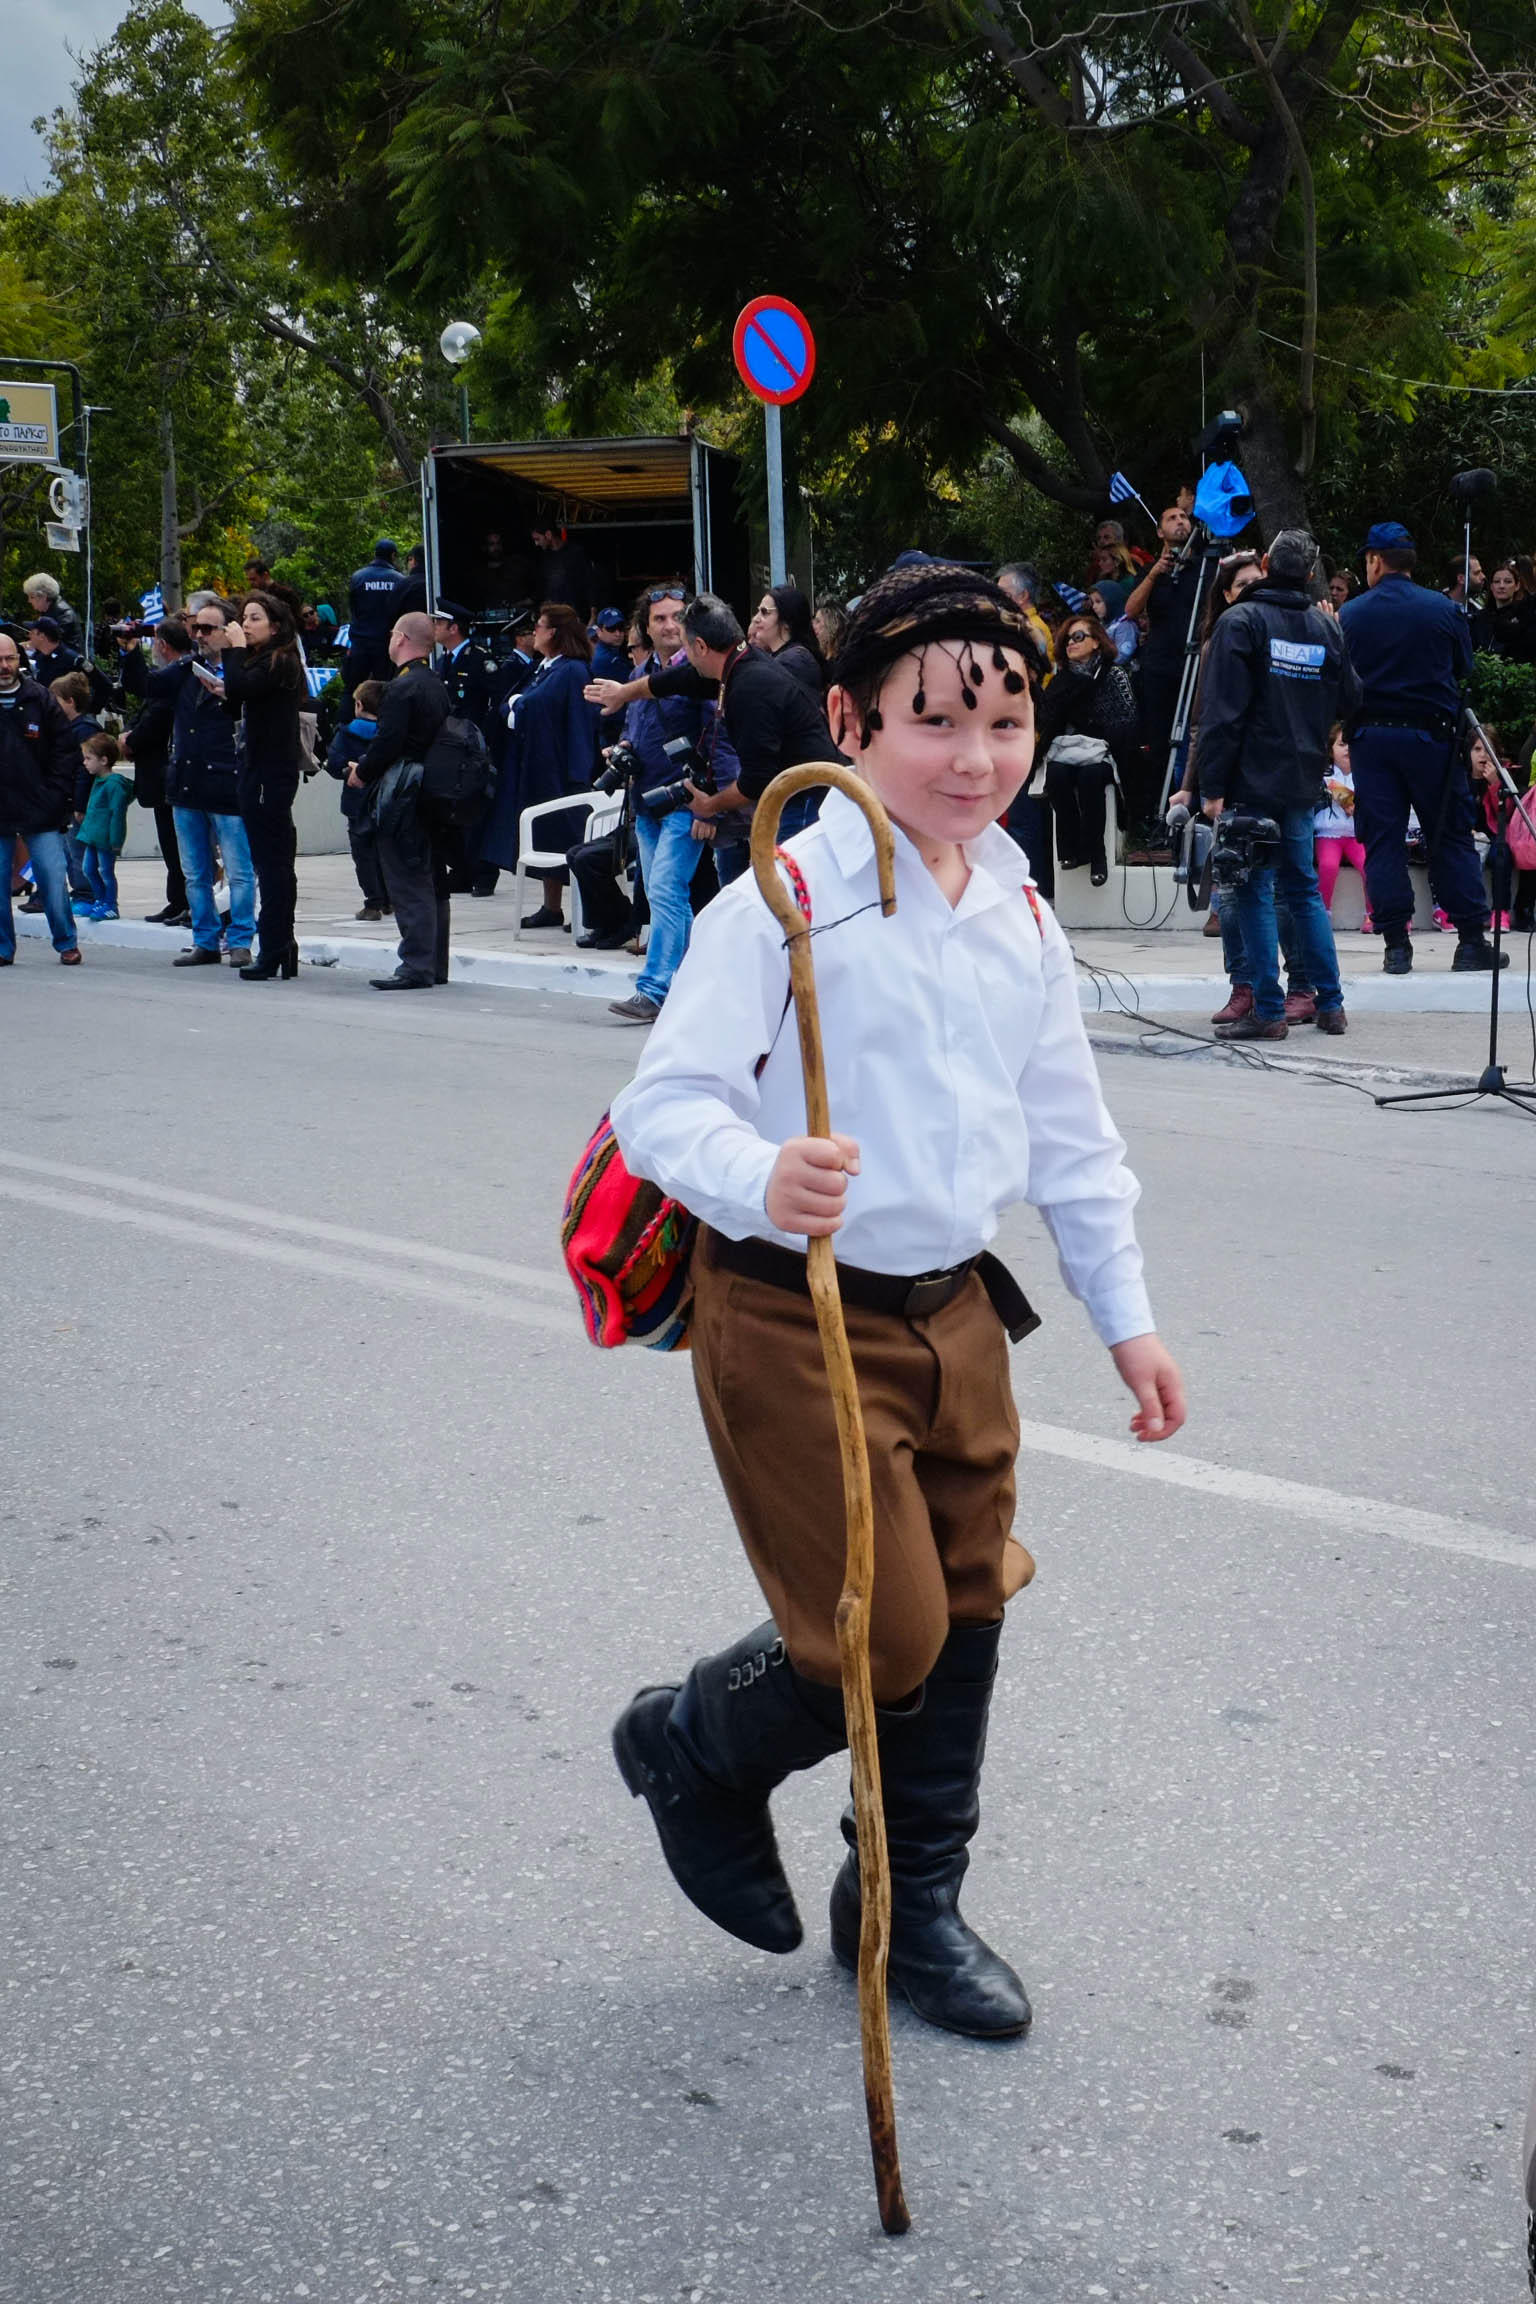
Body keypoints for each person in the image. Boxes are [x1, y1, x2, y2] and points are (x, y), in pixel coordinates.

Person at [607, 559, 1185, 2039]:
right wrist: (761, 1172)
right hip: (793, 1313)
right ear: (852, 726)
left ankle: (907, 1907)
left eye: (1005, 722)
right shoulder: (785, 901)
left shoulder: (1020, 911)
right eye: (936, 722)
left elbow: (1071, 1139)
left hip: (958, 1314)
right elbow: (662, 1107)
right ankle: (693, 1747)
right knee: (884, 1636)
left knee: (970, 1601)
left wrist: (1127, 1322)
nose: (977, 759)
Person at [1195, 529, 1358, 1039]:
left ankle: (1267, 1011)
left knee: (1254, 891)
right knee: (1303, 891)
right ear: (1310, 574)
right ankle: (1331, 1005)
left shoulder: (1240, 620)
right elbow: (1352, 700)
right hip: (1302, 779)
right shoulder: (1325, 626)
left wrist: (1212, 786)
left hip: (1251, 782)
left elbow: (1221, 714)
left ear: (1266, 563)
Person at [1339, 521, 1506, 974]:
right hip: (1432, 738)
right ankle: (1470, 941)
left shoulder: (1351, 614)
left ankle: (1396, 945)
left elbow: (1341, 680)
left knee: (1383, 841)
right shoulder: (1443, 610)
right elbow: (1464, 668)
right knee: (1449, 835)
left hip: (1372, 740)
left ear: (1375, 560)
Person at [586, 594, 845, 861]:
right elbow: (679, 679)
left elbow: (755, 780)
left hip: (804, 798)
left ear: (700, 646)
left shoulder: (749, 687)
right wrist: (624, 693)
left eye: (685, 646)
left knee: (786, 883)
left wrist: (710, 805)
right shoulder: (738, 661)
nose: (685, 656)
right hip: (790, 795)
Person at [603, 586, 737, 1024]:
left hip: (687, 798)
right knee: (666, 895)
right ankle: (689, 985)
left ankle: (655, 989)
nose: (669, 626)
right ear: (646, 626)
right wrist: (623, 747)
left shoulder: (699, 674)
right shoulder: (641, 672)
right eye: (659, 618)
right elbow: (633, 726)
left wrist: (710, 807)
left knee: (664, 890)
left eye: (677, 617)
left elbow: (720, 741)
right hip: (647, 801)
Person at [349, 613, 458, 991]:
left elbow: (387, 743)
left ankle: (415, 964)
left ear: (400, 639)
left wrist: (362, 772)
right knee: (432, 878)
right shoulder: (434, 682)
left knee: (407, 878)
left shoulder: (401, 687)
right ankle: (435, 964)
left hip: (403, 795)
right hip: (433, 790)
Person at [477, 602, 600, 927]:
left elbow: (575, 720)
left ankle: (588, 908)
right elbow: (510, 705)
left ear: (554, 632)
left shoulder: (573, 670)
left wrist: (579, 770)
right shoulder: (543, 667)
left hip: (561, 767)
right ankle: (551, 906)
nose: (535, 632)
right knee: (547, 835)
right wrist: (517, 706)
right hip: (537, 764)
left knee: (571, 837)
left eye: (540, 626)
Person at [166, 608, 257, 969]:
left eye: (208, 628)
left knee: (239, 871)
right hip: (188, 783)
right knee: (195, 873)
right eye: (196, 628)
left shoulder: (243, 671)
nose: (200, 635)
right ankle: (204, 940)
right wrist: (129, 652)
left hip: (226, 783)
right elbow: (148, 686)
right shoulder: (187, 670)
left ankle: (240, 939)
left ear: (228, 630)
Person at [221, 591, 305, 981]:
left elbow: (241, 687)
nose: (246, 624)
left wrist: (235, 649)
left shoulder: (281, 660)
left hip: (269, 774)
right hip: (259, 769)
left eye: (255, 618)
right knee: (273, 862)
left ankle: (274, 946)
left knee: (272, 864)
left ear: (275, 625)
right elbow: (237, 695)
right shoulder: (265, 661)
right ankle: (281, 943)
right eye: (244, 618)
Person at [1033, 612, 1140, 886]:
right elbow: (1045, 721)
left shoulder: (1113, 674)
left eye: (1078, 637)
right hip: (1065, 750)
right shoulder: (1061, 680)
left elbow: (1126, 721)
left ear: (1096, 642)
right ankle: (1069, 850)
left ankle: (1096, 854)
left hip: (1105, 752)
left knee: (1091, 776)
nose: (1071, 642)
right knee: (1056, 774)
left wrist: (1091, 728)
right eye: (1067, 639)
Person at [0, 630, 82, 967]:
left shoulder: (41, 699)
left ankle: (66, 941)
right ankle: (3, 948)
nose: (5, 666)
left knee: (51, 875)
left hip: (41, 808)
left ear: (19, 659)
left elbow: (66, 751)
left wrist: (54, 796)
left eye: (10, 658)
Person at [1124, 504, 1202, 822]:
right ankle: (1158, 813)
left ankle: (1194, 809)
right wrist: (1156, 573)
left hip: (1196, 664)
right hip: (1160, 666)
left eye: (1184, 517)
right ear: (1160, 532)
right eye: (1172, 518)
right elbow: (1131, 610)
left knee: (1196, 737)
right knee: (1159, 739)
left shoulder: (1204, 567)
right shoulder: (1150, 571)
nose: (1180, 521)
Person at [120, 618, 195, 927]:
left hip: (171, 772)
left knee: (179, 843)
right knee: (171, 842)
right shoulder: (170, 675)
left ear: (163, 645)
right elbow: (144, 701)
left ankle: (186, 902)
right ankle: (177, 900)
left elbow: (157, 714)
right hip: (164, 773)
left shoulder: (179, 675)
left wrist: (132, 740)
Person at [327, 679, 393, 922]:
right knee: (387, 852)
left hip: (356, 802)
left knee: (363, 855)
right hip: (386, 802)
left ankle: (373, 902)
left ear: (359, 705)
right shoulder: (389, 734)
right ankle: (390, 898)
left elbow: (334, 764)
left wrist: (348, 771)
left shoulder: (346, 733)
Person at [1315, 725, 1373, 933]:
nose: (1347, 748)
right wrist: (1342, 794)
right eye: (1341, 744)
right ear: (1330, 749)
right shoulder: (1323, 774)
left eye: (1351, 743)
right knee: (1328, 866)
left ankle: (1372, 914)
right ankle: (1322, 913)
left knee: (1369, 866)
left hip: (1356, 835)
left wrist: (1341, 794)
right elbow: (1347, 801)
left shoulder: (1365, 773)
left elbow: (1353, 804)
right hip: (1328, 835)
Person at [73, 733, 134, 920]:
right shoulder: (98, 781)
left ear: (103, 760)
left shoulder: (113, 785)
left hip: (106, 839)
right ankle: (99, 900)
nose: (85, 762)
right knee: (89, 869)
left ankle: (111, 904)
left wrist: (116, 840)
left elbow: (117, 814)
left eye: (88, 758)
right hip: (93, 837)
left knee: (106, 871)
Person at [345, 540, 407, 690]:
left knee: (352, 689)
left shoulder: (358, 577)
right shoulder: (399, 580)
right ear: (393, 556)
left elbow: (353, 608)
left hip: (361, 642)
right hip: (386, 644)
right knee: (384, 688)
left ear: (375, 554)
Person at [747, 584, 826, 694]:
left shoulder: (793, 662)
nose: (756, 618)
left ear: (787, 621)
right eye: (758, 611)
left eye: (764, 612)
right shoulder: (789, 658)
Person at [994, 563, 1054, 665]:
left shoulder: (1032, 628)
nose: (996, 597)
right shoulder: (1016, 623)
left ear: (1022, 596)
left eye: (1002, 593)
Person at [1480, 564, 1536, 662]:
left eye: (1508, 582)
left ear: (1517, 586)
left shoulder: (1525, 615)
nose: (1501, 586)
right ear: (1491, 586)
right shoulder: (1480, 617)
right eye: (1497, 582)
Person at [21, 573, 82, 653]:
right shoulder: (48, 610)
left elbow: (48, 642)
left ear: (43, 597)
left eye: (32, 597)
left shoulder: (64, 614)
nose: (29, 601)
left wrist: (19, 646)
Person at [1086, 578, 1137, 663]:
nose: (1094, 607)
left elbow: (1122, 655)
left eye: (1098, 602)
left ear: (1111, 600)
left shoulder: (1124, 625)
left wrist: (1102, 666)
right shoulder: (1104, 623)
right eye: (1093, 602)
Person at [589, 608, 631, 682]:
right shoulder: (605, 659)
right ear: (599, 631)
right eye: (611, 628)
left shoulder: (616, 650)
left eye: (621, 627)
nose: (618, 634)